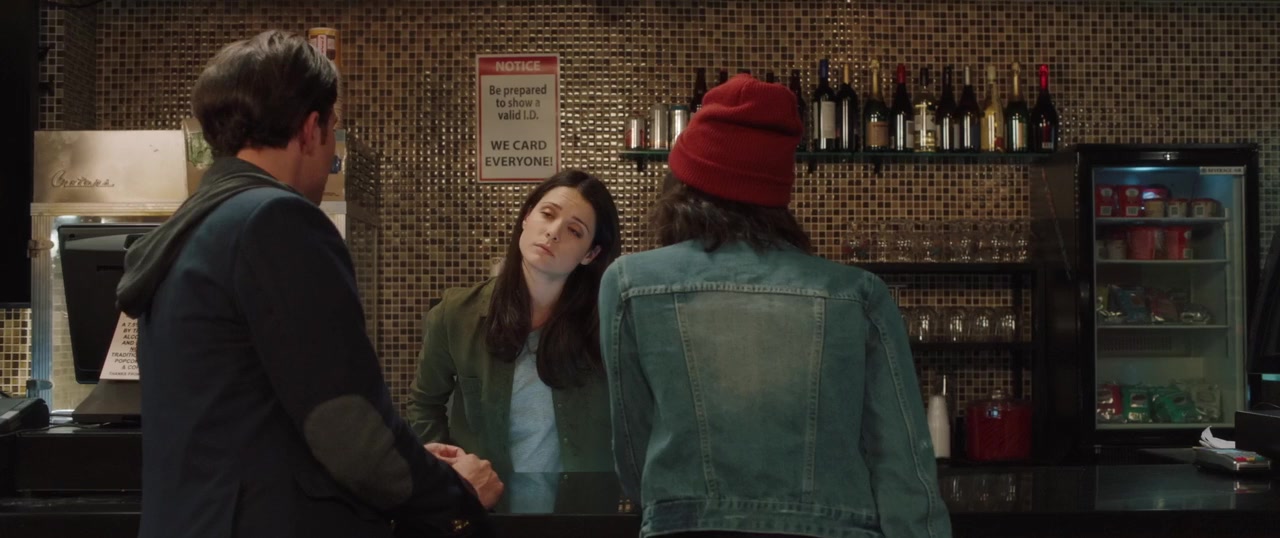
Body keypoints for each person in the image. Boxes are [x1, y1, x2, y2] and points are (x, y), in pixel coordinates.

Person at [116, 30, 501, 538]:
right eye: (333, 128)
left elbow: (260, 423)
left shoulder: (191, 228)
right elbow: (347, 430)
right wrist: (456, 496)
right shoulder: (276, 220)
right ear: (311, 128)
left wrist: (408, 460)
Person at [598, 74, 952, 538]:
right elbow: (904, 466)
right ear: (777, 195)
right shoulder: (858, 294)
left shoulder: (629, 284)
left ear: (681, 187)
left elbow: (633, 448)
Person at [406, 170, 621, 492]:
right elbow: (424, 405)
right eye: (547, 214)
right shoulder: (456, 314)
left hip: (582, 509)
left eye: (574, 231)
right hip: (486, 508)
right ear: (526, 217)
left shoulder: (610, 326)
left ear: (590, 254)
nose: (553, 233)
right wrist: (450, 477)